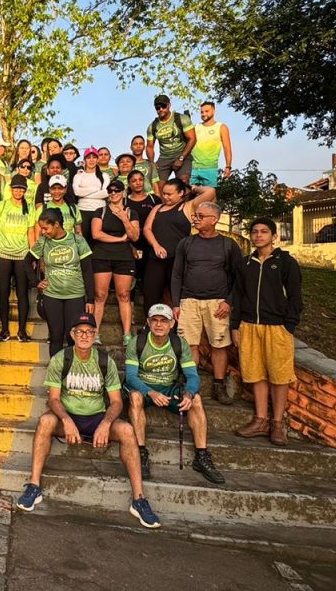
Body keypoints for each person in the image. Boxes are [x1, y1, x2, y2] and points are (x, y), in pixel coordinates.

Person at [14, 313, 159, 529]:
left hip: (96, 417)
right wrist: (66, 420)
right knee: (45, 421)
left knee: (128, 430)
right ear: (72, 335)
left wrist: (106, 423)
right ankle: (33, 486)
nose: (84, 335)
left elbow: (117, 402)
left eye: (89, 331)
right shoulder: (61, 359)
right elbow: (53, 399)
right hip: (68, 417)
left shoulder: (104, 361)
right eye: (80, 331)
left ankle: (139, 499)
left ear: (95, 335)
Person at [124, 304, 225, 484]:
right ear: (148, 322)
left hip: (169, 388)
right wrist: (151, 392)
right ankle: (140, 452)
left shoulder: (179, 344)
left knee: (196, 399)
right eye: (154, 320)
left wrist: (189, 393)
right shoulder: (137, 342)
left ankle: (201, 456)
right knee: (134, 397)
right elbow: (131, 377)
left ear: (172, 323)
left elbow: (193, 376)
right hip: (145, 387)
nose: (159, 325)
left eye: (164, 321)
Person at [231, 218, 303, 446]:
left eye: (264, 232)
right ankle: (260, 420)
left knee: (279, 376)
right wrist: (235, 325)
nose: (259, 235)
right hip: (250, 325)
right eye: (255, 232)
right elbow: (238, 295)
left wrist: (288, 324)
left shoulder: (285, 263)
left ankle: (277, 423)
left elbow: (295, 297)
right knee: (256, 373)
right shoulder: (245, 264)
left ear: (273, 235)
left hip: (277, 328)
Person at [171, 201, 243, 406]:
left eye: (201, 216)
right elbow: (176, 274)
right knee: (189, 344)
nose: (196, 219)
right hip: (189, 300)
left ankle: (218, 384)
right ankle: (190, 384)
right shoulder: (186, 243)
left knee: (219, 345)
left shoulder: (228, 245)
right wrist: (176, 303)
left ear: (215, 220)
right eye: (195, 215)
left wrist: (229, 302)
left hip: (217, 303)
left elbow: (239, 278)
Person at [142, 180, 216, 308]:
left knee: (176, 296)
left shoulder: (188, 207)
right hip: (156, 257)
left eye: (170, 194)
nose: (165, 197)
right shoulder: (157, 208)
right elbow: (147, 229)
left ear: (181, 193)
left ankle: (176, 327)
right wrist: (156, 245)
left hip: (178, 259)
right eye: (164, 194)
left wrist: (191, 187)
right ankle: (149, 325)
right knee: (150, 295)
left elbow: (210, 191)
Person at [32, 208, 94, 358]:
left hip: (75, 295)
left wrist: (90, 299)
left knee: (72, 336)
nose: (43, 232)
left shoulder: (78, 240)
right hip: (52, 295)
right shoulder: (43, 242)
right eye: (42, 229)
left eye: (46, 228)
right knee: (55, 336)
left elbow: (87, 271)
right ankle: (55, 373)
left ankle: (72, 370)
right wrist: (36, 282)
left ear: (57, 224)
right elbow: (26, 262)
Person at [90, 179, 141, 343]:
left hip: (124, 258)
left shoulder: (131, 213)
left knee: (124, 295)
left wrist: (125, 219)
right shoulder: (100, 211)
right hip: (102, 255)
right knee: (100, 295)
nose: (113, 193)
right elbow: (96, 234)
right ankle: (95, 332)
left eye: (117, 190)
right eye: (110, 191)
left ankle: (127, 334)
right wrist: (119, 239)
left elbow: (134, 236)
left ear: (123, 192)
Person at [0, 174, 38, 342]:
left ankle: (22, 330)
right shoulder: (1, 206)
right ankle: (4, 329)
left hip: (22, 255)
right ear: (10, 189)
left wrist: (33, 257)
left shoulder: (30, 207)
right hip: (3, 253)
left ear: (25, 191)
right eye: (16, 188)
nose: (18, 191)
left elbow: (31, 233)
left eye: (22, 188)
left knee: (22, 293)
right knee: (3, 293)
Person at [125, 170, 160, 306]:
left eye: (140, 180)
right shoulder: (124, 201)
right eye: (134, 181)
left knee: (149, 279)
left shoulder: (154, 200)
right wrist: (130, 246)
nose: (138, 183)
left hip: (150, 244)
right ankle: (131, 307)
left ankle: (149, 310)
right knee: (130, 278)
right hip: (131, 243)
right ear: (129, 183)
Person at [146, 94, 197, 185]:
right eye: (157, 108)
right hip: (164, 157)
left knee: (183, 181)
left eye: (163, 106)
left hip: (182, 154)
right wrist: (152, 162)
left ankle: (189, 198)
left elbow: (192, 139)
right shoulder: (152, 126)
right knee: (157, 185)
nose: (160, 109)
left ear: (169, 105)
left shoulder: (182, 119)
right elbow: (149, 147)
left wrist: (181, 158)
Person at [191, 102, 233, 186]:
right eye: (202, 112)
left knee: (209, 197)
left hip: (210, 169)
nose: (204, 114)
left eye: (207, 111)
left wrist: (228, 166)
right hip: (193, 169)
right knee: (189, 196)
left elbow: (227, 148)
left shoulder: (221, 127)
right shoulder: (195, 127)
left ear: (213, 111)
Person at [72, 148, 110, 241]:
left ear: (97, 159)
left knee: (99, 240)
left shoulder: (104, 176)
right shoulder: (78, 176)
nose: (91, 160)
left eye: (94, 157)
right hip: (83, 210)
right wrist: (95, 189)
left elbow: (105, 193)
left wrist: (84, 194)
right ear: (84, 160)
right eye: (88, 157)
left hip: (100, 210)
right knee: (84, 240)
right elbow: (77, 192)